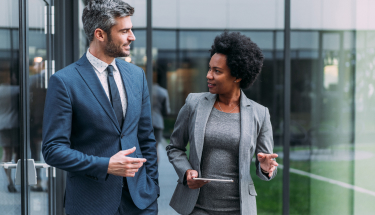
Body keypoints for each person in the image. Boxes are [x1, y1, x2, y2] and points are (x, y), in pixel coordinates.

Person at [42, 1, 159, 214]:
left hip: (140, 202)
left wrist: (152, 186)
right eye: (124, 31)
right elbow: (53, 150)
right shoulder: (64, 81)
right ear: (100, 34)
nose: (132, 37)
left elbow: (146, 137)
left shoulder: (136, 76)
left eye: (131, 29)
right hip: (91, 204)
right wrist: (105, 165)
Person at [166, 31, 278, 215]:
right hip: (197, 207)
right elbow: (175, 148)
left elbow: (266, 166)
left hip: (239, 209)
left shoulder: (260, 113)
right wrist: (186, 172)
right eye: (210, 68)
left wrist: (265, 169)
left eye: (217, 71)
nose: (209, 75)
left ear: (237, 76)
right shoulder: (193, 104)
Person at [0, 71, 20, 193]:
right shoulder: (14, 89)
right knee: (17, 152)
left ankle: (9, 180)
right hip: (14, 124)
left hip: (2, 124)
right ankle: (18, 178)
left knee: (6, 152)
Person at [152, 80, 170, 162]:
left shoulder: (146, 89)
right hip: (158, 122)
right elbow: (166, 111)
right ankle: (154, 171)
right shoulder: (163, 92)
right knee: (156, 148)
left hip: (146, 122)